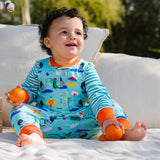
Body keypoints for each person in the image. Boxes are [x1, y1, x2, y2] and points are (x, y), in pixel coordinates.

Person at [6, 7, 146, 147]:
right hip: (47, 121)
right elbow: (29, 91)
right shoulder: (40, 67)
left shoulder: (86, 68)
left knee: (110, 104)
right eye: (64, 32)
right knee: (18, 110)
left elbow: (97, 95)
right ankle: (34, 136)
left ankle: (120, 131)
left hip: (82, 122)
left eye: (78, 33)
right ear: (48, 42)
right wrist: (20, 96)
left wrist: (107, 119)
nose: (72, 36)